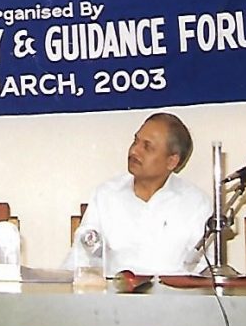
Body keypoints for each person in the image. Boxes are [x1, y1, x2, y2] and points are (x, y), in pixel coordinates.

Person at [64, 112, 212, 275]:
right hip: (115, 297)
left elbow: (205, 272)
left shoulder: (196, 204)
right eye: (135, 141)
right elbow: (82, 259)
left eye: (147, 147)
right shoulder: (106, 195)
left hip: (176, 298)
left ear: (172, 161)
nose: (134, 151)